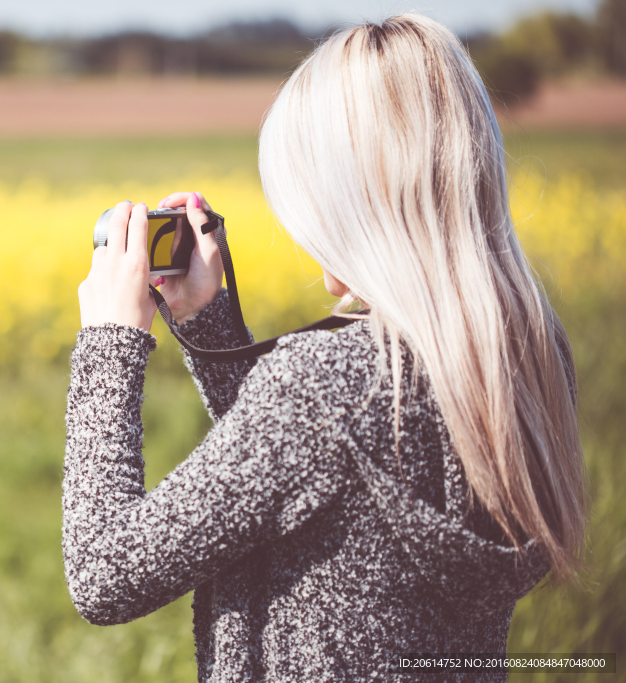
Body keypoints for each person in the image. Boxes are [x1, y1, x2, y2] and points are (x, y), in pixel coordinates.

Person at [63, 13, 587, 682]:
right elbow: (310, 479)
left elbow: (103, 571)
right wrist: (206, 319)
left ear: (344, 202)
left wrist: (111, 343)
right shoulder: (524, 352)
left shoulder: (325, 387)